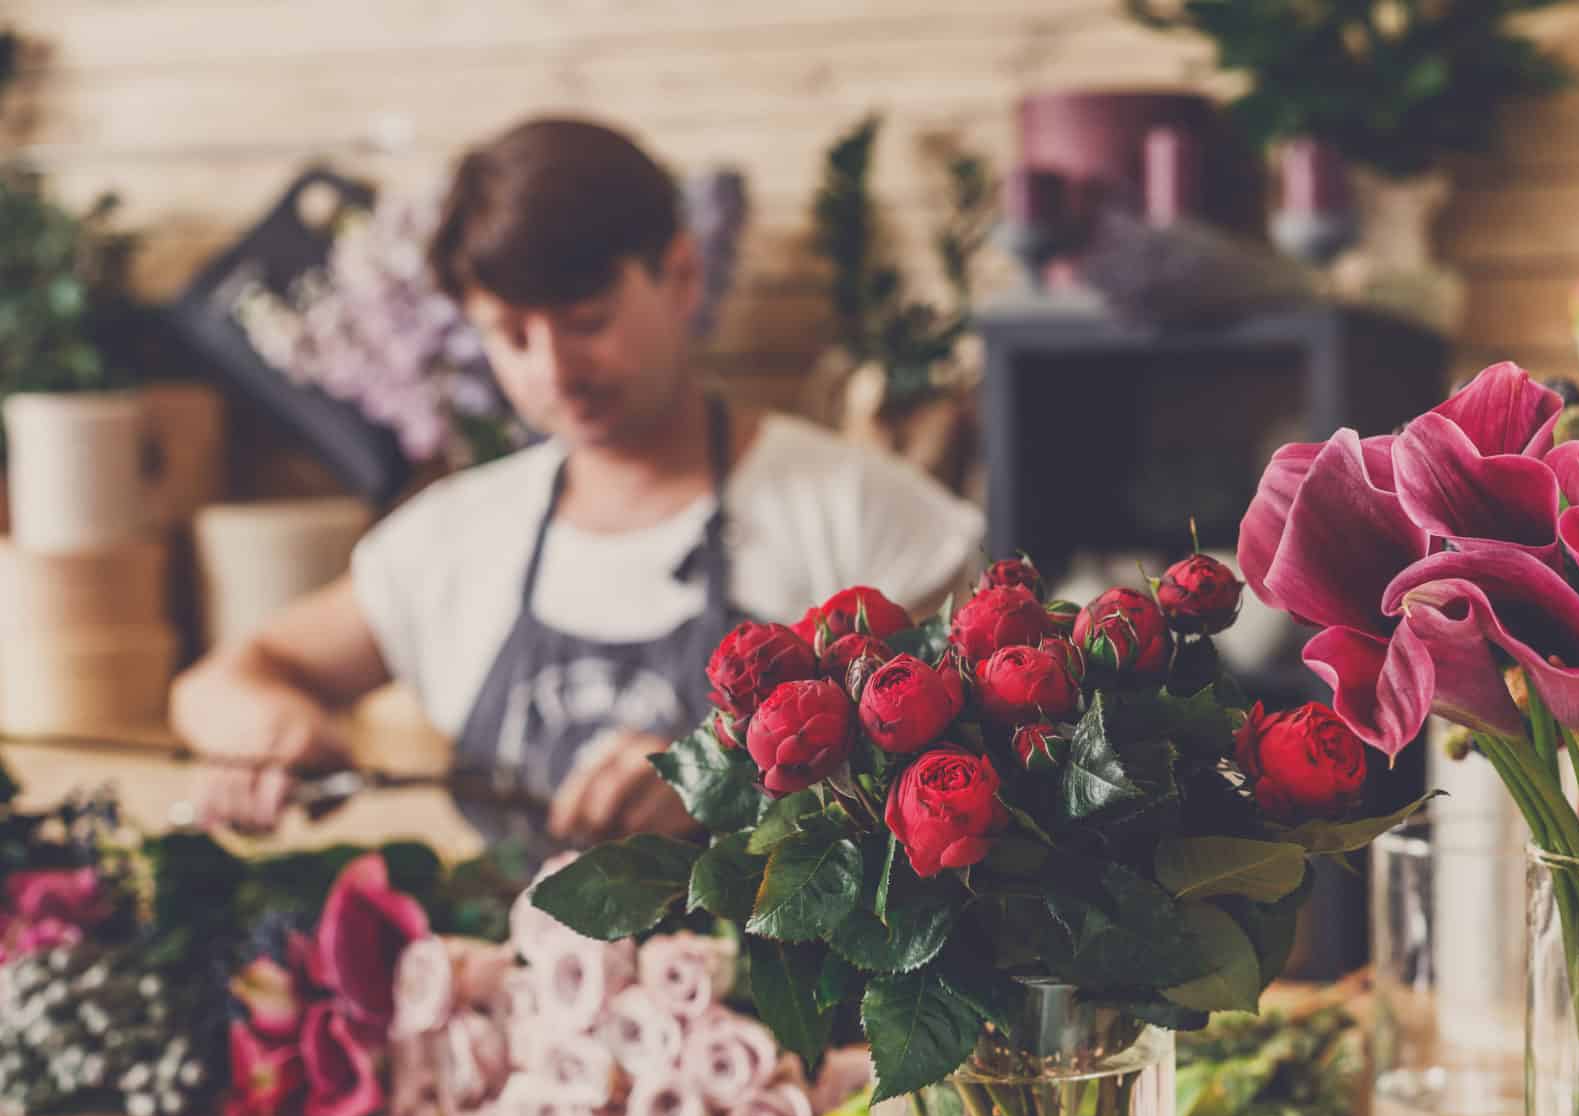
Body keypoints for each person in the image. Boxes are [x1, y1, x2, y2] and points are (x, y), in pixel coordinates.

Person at [171, 117, 984, 847]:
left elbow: (989, 780)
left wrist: (726, 778)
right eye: (512, 334)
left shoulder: (865, 517)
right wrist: (269, 732)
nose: (553, 370)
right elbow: (221, 682)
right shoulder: (451, 539)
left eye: (587, 321)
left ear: (681, 276)